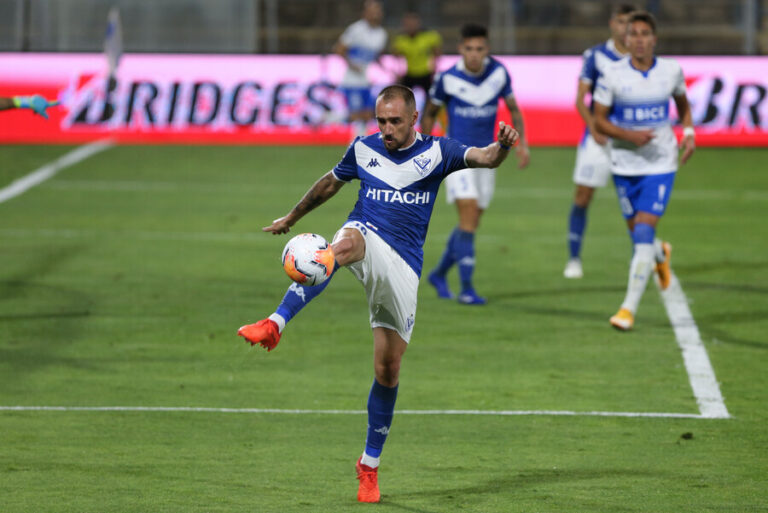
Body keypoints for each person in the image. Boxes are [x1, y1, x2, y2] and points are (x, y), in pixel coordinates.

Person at [237, 85, 519, 502]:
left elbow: (487, 158)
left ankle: (368, 467)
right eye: (381, 121)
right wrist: (293, 216)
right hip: (364, 234)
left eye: (394, 121)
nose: (386, 129)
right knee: (343, 245)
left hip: (403, 266)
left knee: (388, 369)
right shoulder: (363, 149)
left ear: (413, 118)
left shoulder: (439, 153)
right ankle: (275, 323)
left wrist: (504, 146)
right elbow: (329, 185)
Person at [592, 11, 695, 331]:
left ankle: (627, 309)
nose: (638, 39)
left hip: (661, 162)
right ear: (626, 39)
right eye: (633, 33)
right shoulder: (611, 73)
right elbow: (599, 120)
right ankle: (660, 257)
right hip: (624, 164)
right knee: (637, 233)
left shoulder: (671, 70)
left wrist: (688, 133)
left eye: (644, 33)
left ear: (654, 39)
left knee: (642, 235)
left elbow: (683, 103)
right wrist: (629, 136)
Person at [419, 23, 530, 305]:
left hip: (489, 156)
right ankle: (467, 288)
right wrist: (424, 150)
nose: (474, 55)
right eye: (469, 49)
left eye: (479, 49)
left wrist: (523, 145)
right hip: (457, 155)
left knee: (471, 221)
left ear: (487, 49)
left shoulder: (499, 73)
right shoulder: (447, 79)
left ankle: (440, 273)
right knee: (468, 215)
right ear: (461, 49)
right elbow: (429, 114)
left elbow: (514, 109)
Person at [563, 3, 636, 279]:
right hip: (598, 139)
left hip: (628, 140)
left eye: (631, 22)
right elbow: (580, 99)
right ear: (612, 24)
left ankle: (637, 257)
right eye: (621, 21)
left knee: (633, 201)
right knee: (583, 196)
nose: (625, 27)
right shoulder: (595, 56)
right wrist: (594, 127)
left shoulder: (641, 58)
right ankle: (573, 258)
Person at [333, 0, 388, 140]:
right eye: (372, 11)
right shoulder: (356, 29)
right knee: (357, 114)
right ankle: (329, 118)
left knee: (368, 114)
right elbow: (339, 49)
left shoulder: (381, 34)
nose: (375, 14)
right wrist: (351, 64)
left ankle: (359, 143)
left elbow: (376, 57)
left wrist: (389, 71)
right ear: (365, 13)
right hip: (352, 80)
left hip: (366, 80)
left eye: (377, 11)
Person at [391, 11, 442, 112]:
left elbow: (437, 53)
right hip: (410, 73)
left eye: (413, 24)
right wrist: (398, 72)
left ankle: (429, 118)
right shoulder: (401, 39)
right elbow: (396, 56)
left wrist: (434, 68)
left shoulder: (429, 36)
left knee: (432, 100)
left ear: (418, 23)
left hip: (425, 73)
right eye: (407, 24)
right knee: (402, 98)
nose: (410, 27)